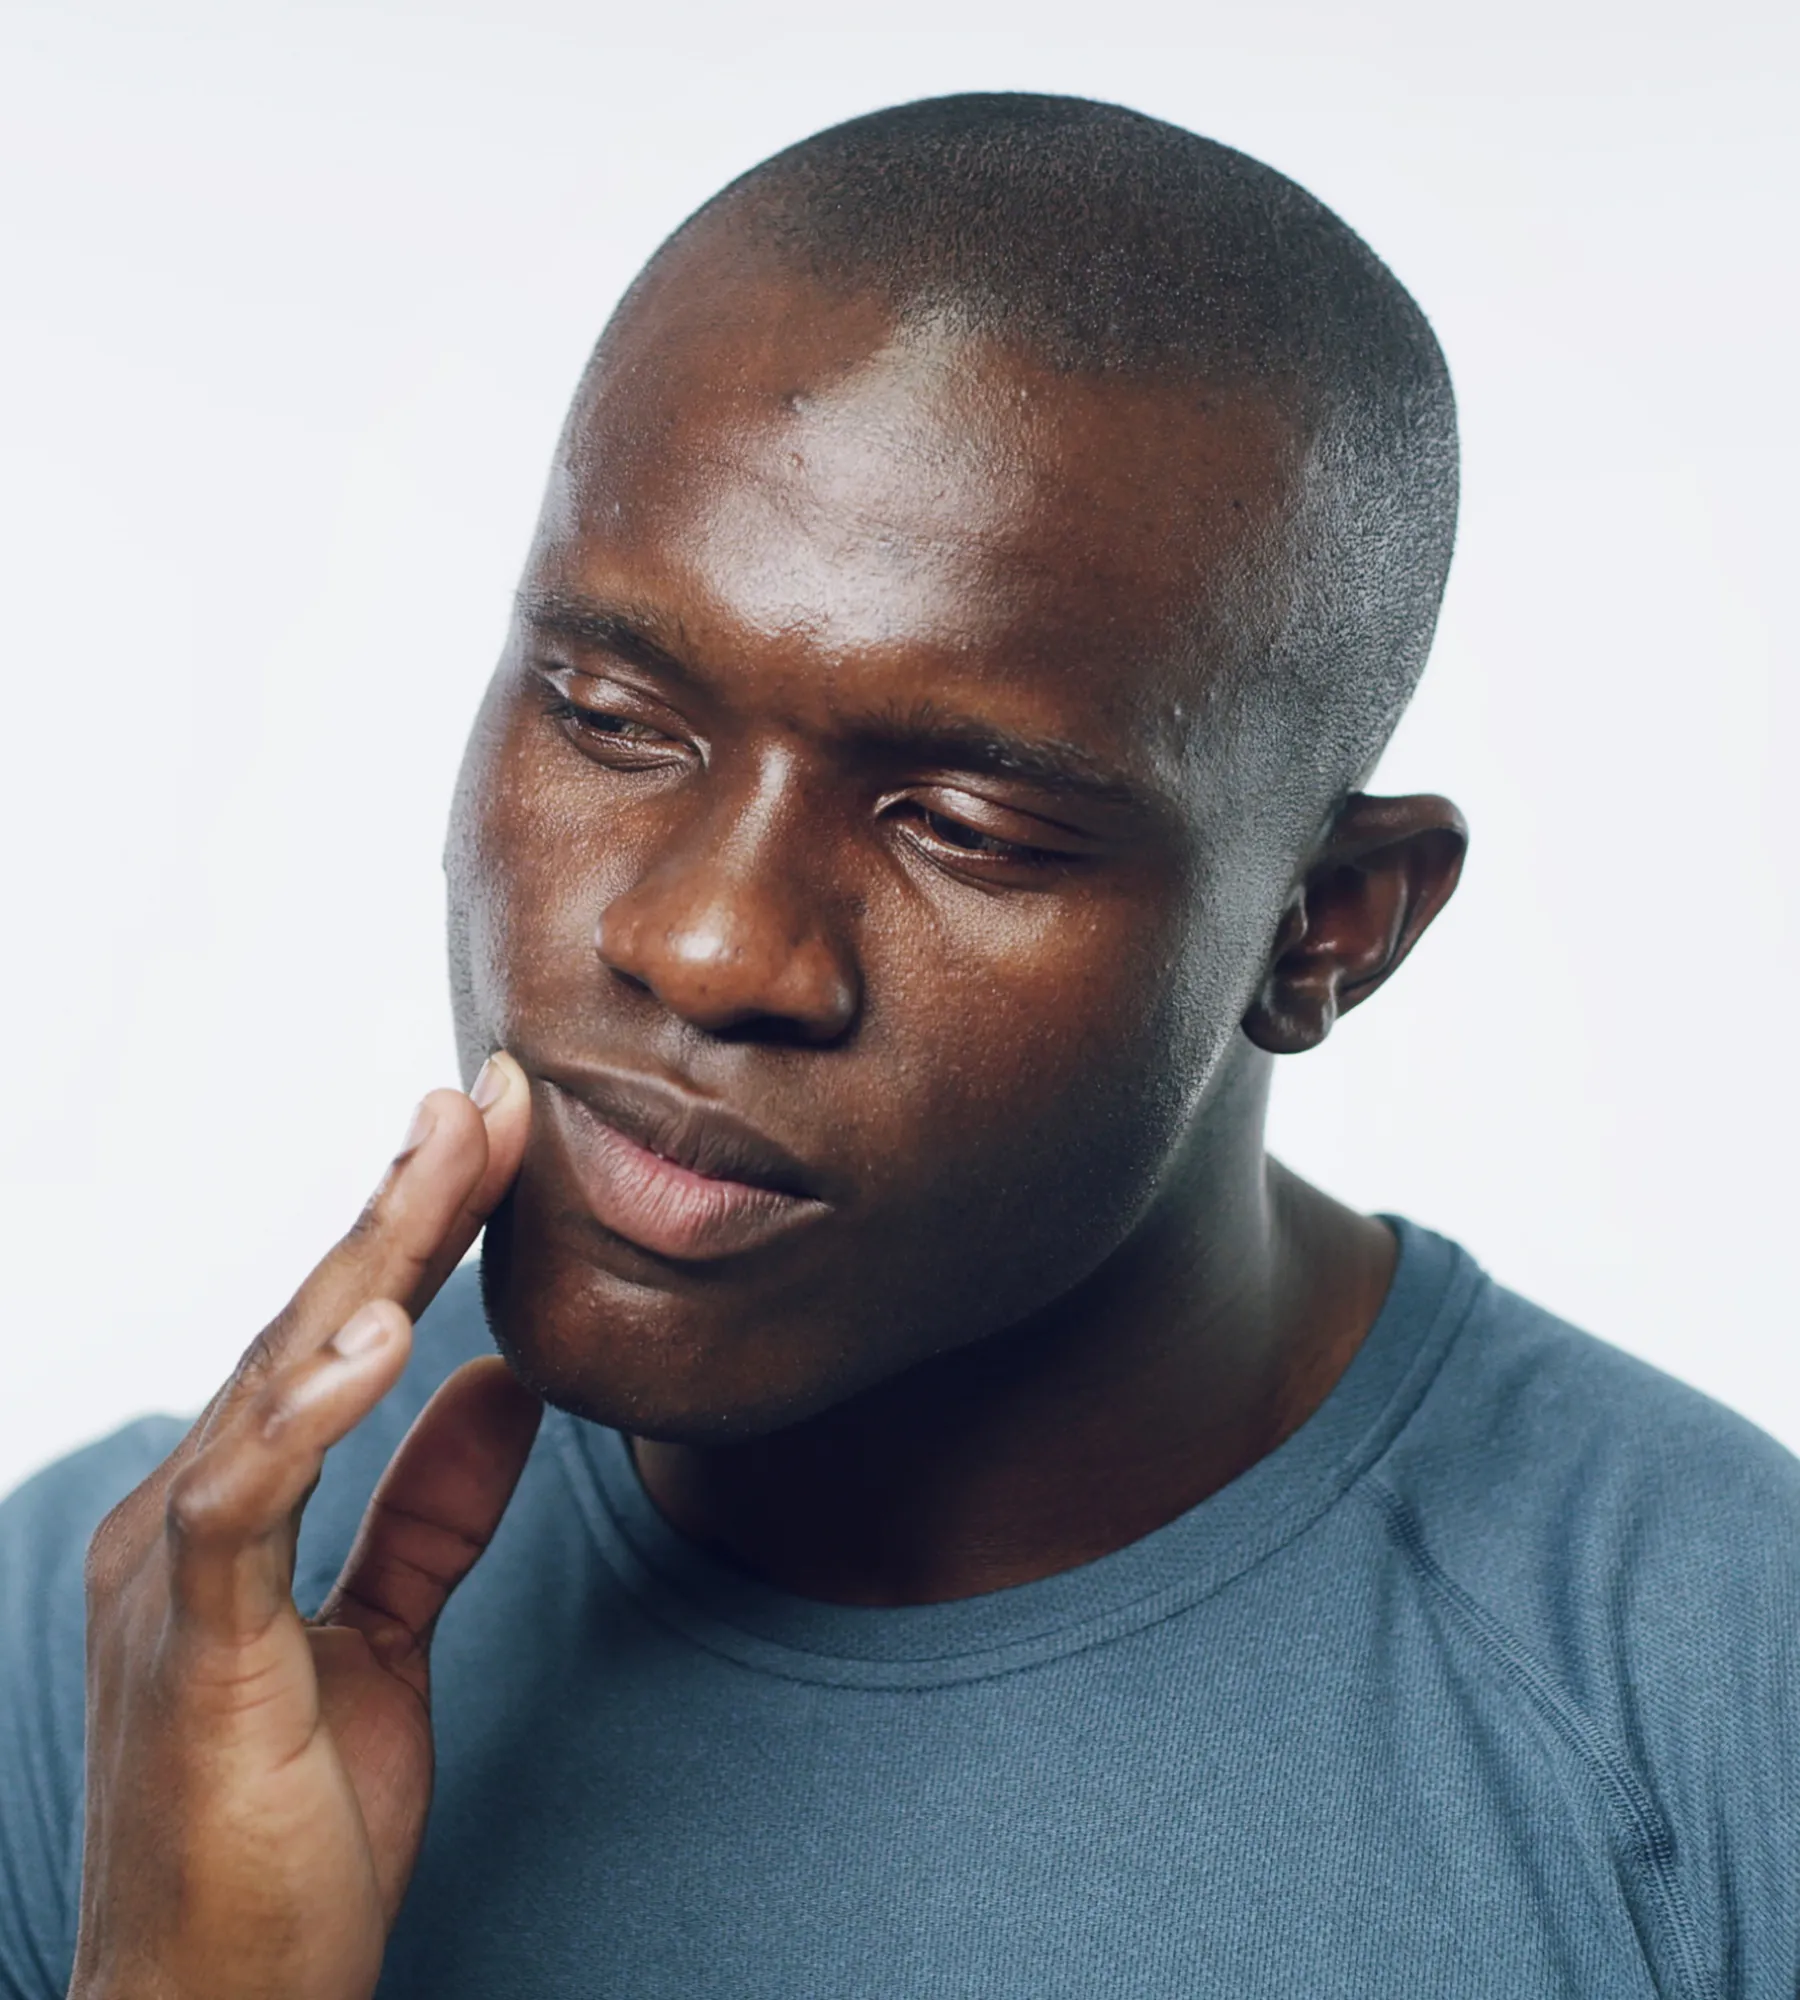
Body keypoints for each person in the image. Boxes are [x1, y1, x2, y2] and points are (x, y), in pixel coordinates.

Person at [2, 91, 1795, 2000]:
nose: (702, 942)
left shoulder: (1712, 1704)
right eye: (610, 714)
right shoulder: (123, 1657)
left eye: (969, 830)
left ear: (1324, 926)